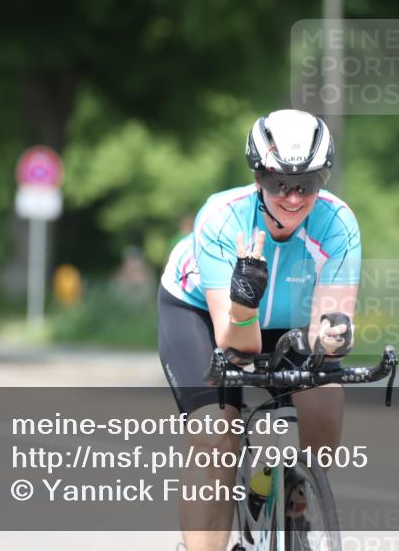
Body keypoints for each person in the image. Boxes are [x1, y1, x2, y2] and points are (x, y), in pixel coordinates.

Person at [158, 109, 360, 551]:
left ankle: (286, 496)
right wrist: (246, 298)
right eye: (278, 182)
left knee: (326, 406)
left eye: (307, 183)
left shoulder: (338, 222)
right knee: (216, 433)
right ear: (257, 177)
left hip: (290, 320)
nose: (293, 197)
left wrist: (333, 337)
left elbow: (333, 324)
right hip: (205, 315)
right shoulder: (222, 218)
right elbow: (236, 344)